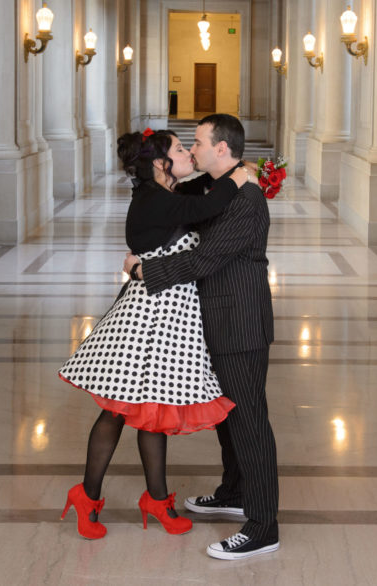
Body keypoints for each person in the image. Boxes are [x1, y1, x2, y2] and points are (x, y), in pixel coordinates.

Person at [58, 128, 255, 540]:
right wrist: (238, 177)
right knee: (117, 411)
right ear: (159, 163)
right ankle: (86, 496)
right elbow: (207, 206)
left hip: (169, 318)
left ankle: (156, 499)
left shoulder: (163, 195)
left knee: (154, 409)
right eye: (181, 149)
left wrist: (236, 170)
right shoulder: (154, 200)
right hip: (145, 317)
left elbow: (200, 190)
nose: (188, 154)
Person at [124, 114, 279, 560]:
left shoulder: (245, 196)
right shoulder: (214, 186)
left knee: (249, 422)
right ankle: (233, 492)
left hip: (240, 324)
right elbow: (168, 200)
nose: (192, 150)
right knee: (231, 418)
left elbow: (204, 260)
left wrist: (142, 270)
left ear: (223, 151)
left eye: (199, 143)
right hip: (218, 319)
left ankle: (264, 525)